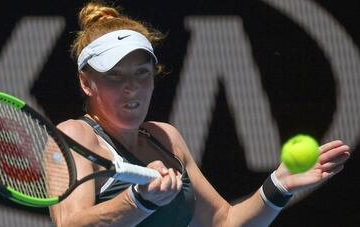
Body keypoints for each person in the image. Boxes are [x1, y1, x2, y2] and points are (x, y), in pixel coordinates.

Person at [50, 1, 351, 226]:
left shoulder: (166, 138)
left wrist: (278, 186)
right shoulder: (75, 136)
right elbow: (69, 224)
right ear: (87, 82)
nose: (132, 87)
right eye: (115, 75)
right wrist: (138, 201)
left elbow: (223, 220)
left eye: (142, 73)